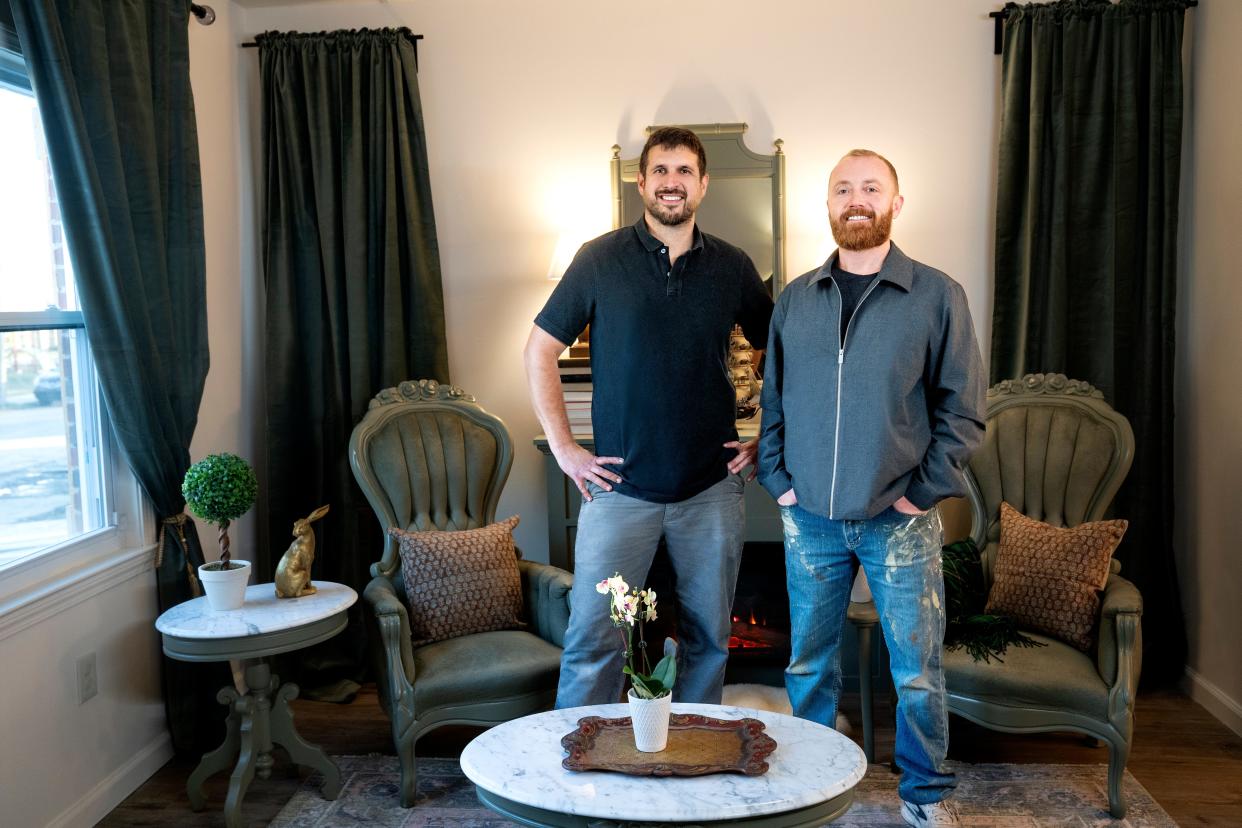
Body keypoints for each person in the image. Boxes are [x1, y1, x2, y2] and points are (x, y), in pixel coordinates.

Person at [757, 149, 985, 828]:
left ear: (895, 202)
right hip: (811, 524)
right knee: (807, 668)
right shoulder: (796, 300)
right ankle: (813, 792)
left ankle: (925, 798)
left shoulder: (936, 295)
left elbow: (963, 414)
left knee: (915, 672)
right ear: (827, 205)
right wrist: (781, 484)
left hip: (900, 520)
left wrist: (919, 496)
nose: (856, 199)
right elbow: (771, 404)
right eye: (842, 189)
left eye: (870, 188)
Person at [525, 126, 773, 708]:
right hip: (619, 492)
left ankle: (691, 753)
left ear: (703, 184)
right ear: (642, 182)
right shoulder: (599, 259)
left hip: (711, 490)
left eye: (684, 171)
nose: (672, 183)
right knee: (593, 637)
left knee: (709, 640)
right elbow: (538, 348)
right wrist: (564, 450)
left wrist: (768, 437)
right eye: (661, 171)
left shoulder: (733, 267)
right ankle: (579, 766)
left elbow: (779, 355)